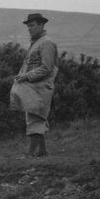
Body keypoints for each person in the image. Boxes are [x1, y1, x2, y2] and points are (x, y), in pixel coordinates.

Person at [10, 13, 59, 158]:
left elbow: (47, 67)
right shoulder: (37, 42)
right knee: (35, 116)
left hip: (41, 88)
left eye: (32, 25)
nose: (29, 29)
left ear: (41, 25)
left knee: (35, 118)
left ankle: (30, 154)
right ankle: (42, 151)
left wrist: (25, 76)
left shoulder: (46, 43)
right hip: (34, 87)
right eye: (28, 26)